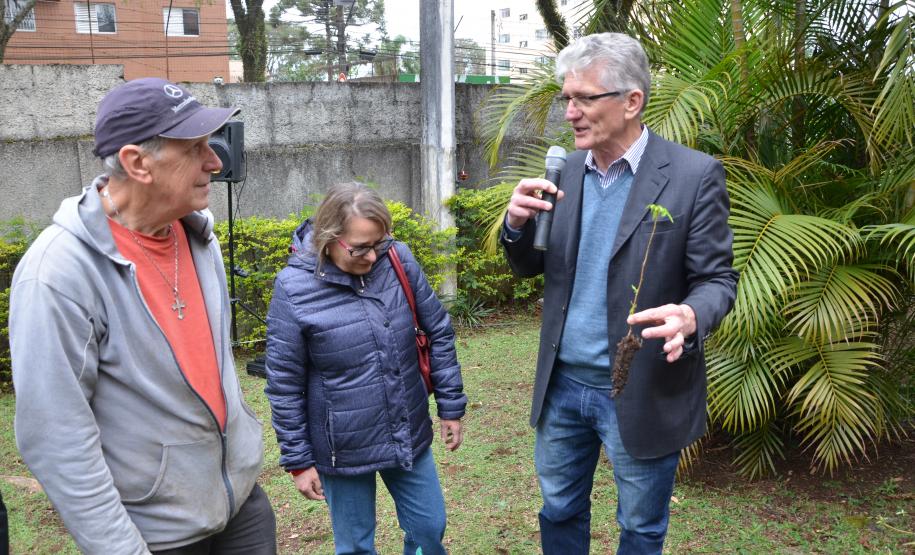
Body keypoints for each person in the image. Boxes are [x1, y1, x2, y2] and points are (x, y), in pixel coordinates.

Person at [9, 78, 275, 554]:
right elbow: (57, 439)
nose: (216, 161)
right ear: (136, 162)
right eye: (195, 148)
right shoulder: (58, 272)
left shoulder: (197, 236)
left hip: (240, 508)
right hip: (155, 536)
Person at [502, 33, 739, 554]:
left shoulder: (693, 175)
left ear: (632, 101)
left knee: (640, 524)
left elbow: (718, 281)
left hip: (642, 383)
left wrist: (689, 315)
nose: (570, 112)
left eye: (585, 98)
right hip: (561, 384)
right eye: (567, 98)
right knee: (559, 508)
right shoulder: (563, 172)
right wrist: (516, 225)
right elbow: (527, 266)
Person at [265, 182, 466, 555]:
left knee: (428, 527)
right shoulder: (293, 288)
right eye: (360, 248)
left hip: (406, 429)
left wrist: (450, 406)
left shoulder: (397, 259)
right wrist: (298, 461)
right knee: (355, 546)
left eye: (378, 243)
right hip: (342, 449)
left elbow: (438, 331)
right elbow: (284, 385)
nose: (373, 257)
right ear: (329, 237)